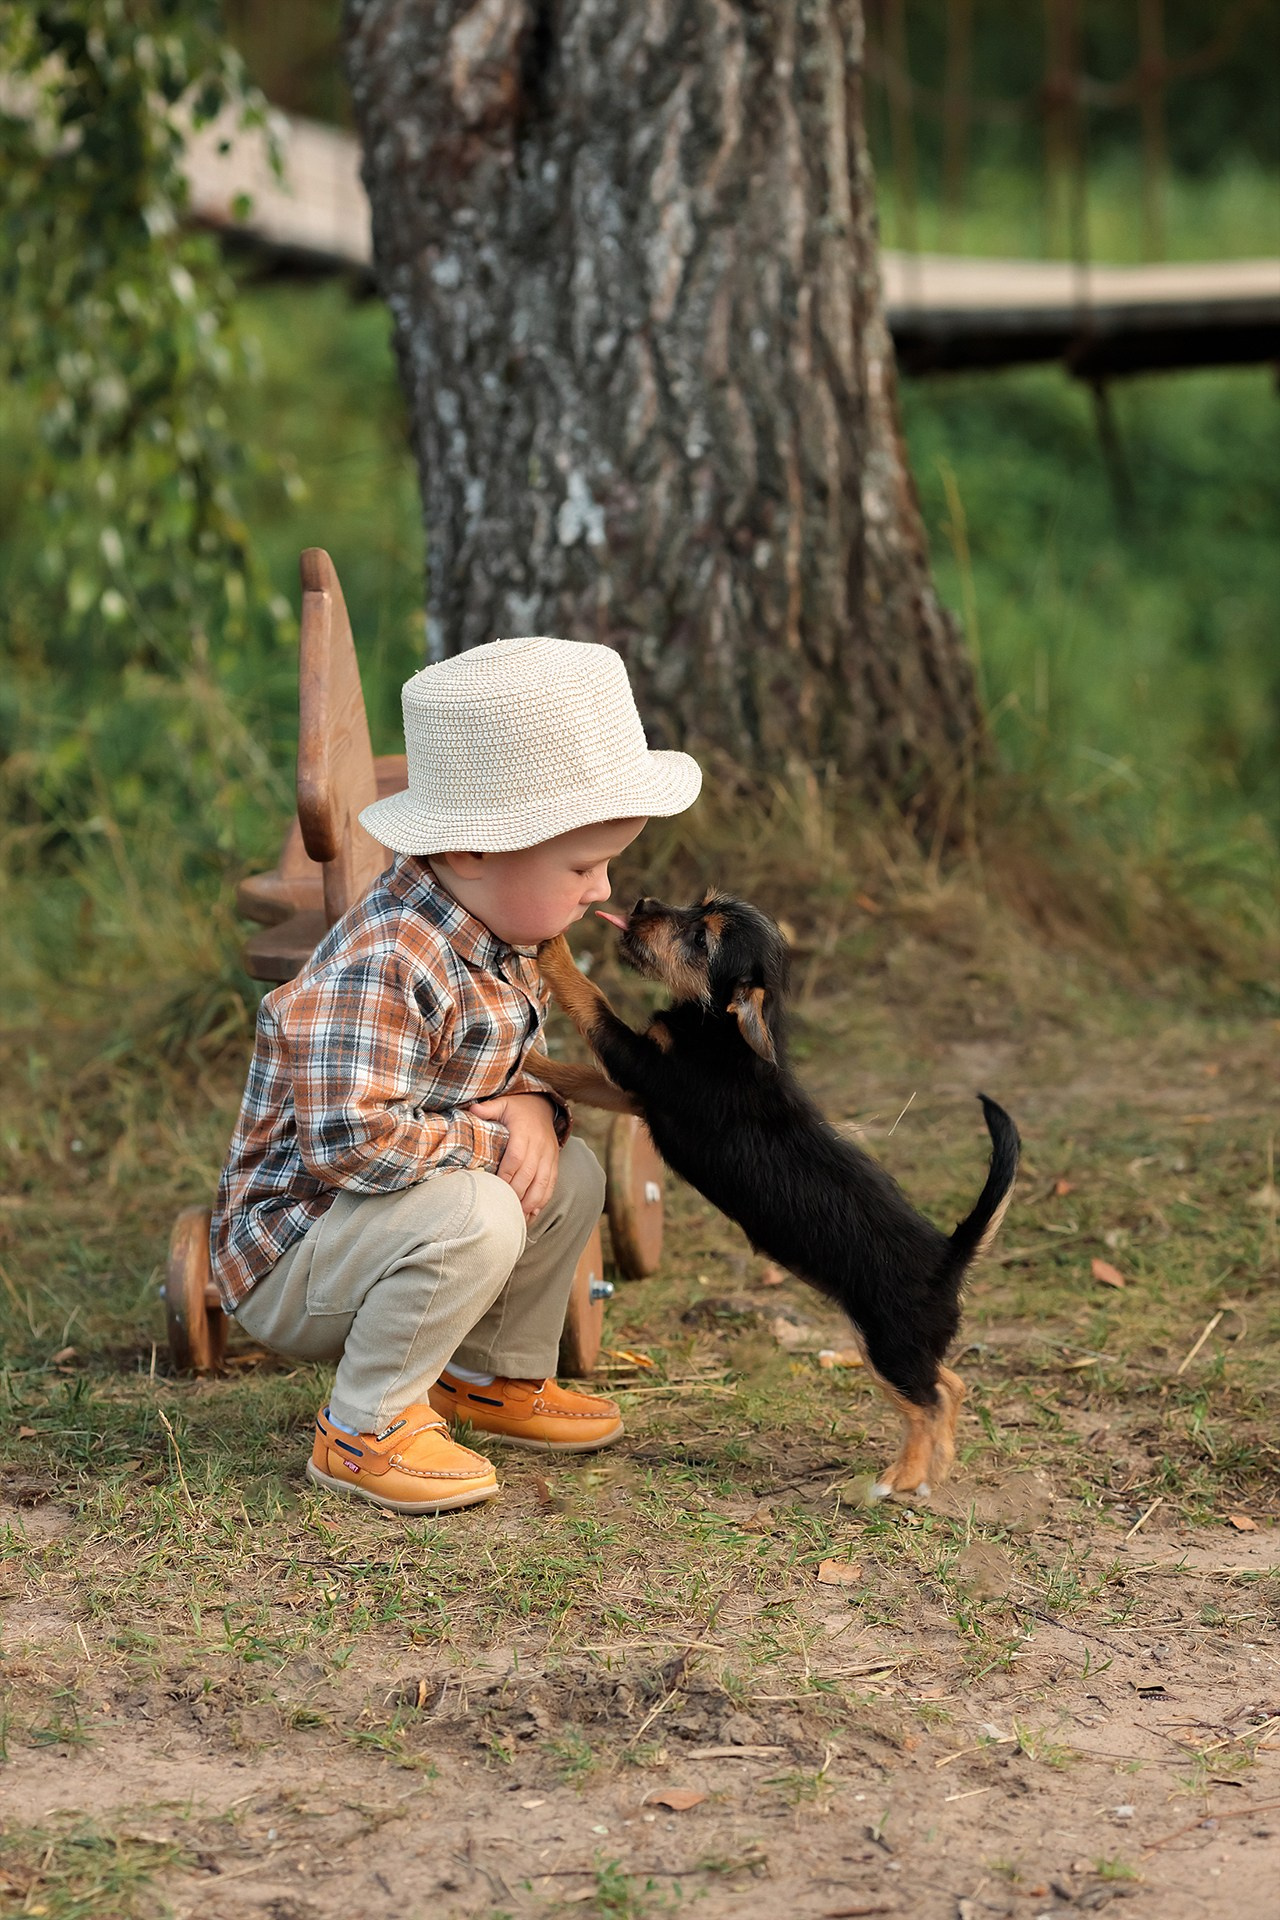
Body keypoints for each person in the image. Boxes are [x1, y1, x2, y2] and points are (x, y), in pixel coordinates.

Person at [210, 636, 701, 1515]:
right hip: (298, 1251)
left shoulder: (501, 935)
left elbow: (479, 1075)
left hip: (385, 1214)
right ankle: (363, 1426)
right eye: (581, 867)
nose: (603, 889)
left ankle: (489, 1375)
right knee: (479, 1206)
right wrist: (494, 1135)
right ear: (473, 849)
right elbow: (348, 1142)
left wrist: (530, 1102)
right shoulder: (390, 957)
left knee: (572, 1173)